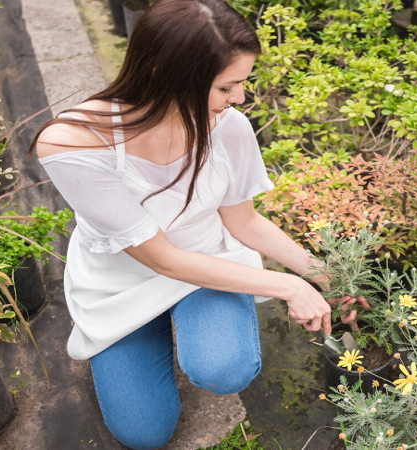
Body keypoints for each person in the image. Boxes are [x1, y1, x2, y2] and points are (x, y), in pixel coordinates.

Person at [31, 0, 367, 448]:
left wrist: (324, 276)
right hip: (122, 284)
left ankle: (196, 328)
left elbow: (244, 221)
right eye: (227, 87)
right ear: (166, 74)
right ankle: (148, 335)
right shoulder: (74, 144)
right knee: (144, 435)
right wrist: (288, 286)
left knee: (224, 369)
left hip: (209, 265)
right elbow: (161, 259)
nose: (239, 99)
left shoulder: (227, 126)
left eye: (241, 84)